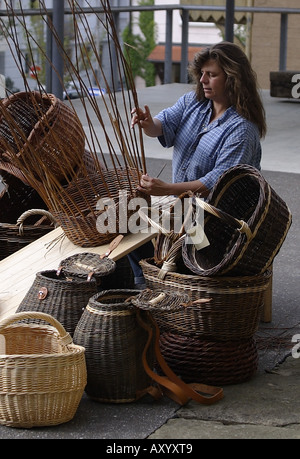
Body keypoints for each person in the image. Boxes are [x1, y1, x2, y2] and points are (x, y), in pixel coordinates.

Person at [128, 41, 267, 288]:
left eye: (212, 75)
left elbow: (218, 183)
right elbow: (163, 124)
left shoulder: (242, 129)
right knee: (124, 212)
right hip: (183, 207)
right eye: (201, 73)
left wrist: (167, 189)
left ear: (233, 79)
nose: (203, 80)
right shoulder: (194, 102)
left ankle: (158, 281)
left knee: (145, 224)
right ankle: (145, 279)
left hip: (216, 224)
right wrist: (148, 123)